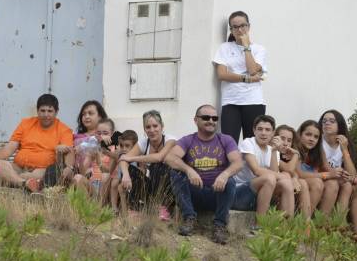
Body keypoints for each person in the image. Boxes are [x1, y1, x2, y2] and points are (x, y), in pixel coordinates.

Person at [166, 104, 242, 244]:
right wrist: (189, 170)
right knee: (176, 173)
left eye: (215, 118)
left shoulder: (225, 140)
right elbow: (170, 158)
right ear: (196, 120)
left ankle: (219, 225)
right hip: (195, 193)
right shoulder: (188, 140)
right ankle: (189, 218)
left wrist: (224, 175)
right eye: (206, 117)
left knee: (230, 181)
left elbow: (238, 163)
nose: (211, 121)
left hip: (217, 194)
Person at [0, 93, 74, 191]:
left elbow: (69, 152)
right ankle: (23, 183)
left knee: (28, 175)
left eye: (50, 111)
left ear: (56, 112)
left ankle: (14, 180)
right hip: (18, 167)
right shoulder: (26, 123)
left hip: (41, 170)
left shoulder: (64, 130)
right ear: (37, 111)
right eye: (42, 111)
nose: (46, 115)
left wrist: (69, 167)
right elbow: (10, 148)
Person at [213, 10, 267, 142]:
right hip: (231, 102)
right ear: (231, 30)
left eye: (243, 25)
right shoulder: (224, 48)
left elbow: (253, 70)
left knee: (253, 143)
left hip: (254, 101)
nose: (240, 29)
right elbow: (222, 74)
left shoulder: (259, 49)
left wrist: (246, 47)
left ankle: (252, 164)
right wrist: (246, 78)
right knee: (229, 142)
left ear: (249, 26)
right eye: (235, 27)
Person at [231, 115, 296, 224]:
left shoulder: (272, 149)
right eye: (260, 129)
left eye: (267, 130)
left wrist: (275, 151)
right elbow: (256, 170)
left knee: (285, 182)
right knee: (270, 178)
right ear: (254, 130)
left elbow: (276, 176)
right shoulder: (248, 143)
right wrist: (284, 176)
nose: (263, 133)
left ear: (273, 133)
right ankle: (259, 226)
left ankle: (287, 227)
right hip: (239, 194)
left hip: (261, 195)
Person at [118, 110, 178, 221]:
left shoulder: (170, 140)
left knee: (157, 166)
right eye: (148, 127)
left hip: (171, 187)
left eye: (155, 126)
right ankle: (136, 209)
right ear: (144, 129)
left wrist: (131, 158)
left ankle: (163, 208)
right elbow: (123, 160)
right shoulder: (144, 142)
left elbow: (159, 157)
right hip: (152, 187)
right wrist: (125, 174)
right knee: (131, 170)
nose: (152, 130)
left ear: (162, 126)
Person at [319, 110, 357, 230]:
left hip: (338, 180)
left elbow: (352, 174)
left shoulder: (343, 143)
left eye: (332, 121)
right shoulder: (319, 141)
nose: (327, 123)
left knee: (354, 187)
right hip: (321, 178)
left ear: (339, 124)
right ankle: (335, 226)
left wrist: (344, 149)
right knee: (348, 185)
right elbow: (324, 168)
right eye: (324, 121)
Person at [297, 119, 352, 216]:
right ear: (300, 134)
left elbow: (327, 168)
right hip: (297, 181)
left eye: (316, 137)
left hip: (312, 180)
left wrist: (341, 174)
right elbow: (299, 174)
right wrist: (327, 174)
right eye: (308, 134)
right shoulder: (295, 148)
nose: (311, 139)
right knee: (318, 183)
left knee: (335, 184)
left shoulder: (318, 150)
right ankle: (304, 223)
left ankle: (322, 223)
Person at [274, 124, 313, 218]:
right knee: (288, 177)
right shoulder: (272, 152)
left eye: (289, 140)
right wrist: (296, 154)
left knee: (302, 183)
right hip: (270, 189)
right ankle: (287, 224)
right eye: (282, 139)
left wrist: (295, 178)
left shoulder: (287, 156)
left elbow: (294, 173)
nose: (286, 143)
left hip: (283, 188)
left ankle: (305, 225)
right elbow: (288, 169)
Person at [69, 100, 109, 190]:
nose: (86, 116)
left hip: (98, 177)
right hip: (78, 173)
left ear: (100, 116)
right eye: (83, 114)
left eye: (90, 113)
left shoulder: (106, 136)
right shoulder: (74, 137)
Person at [111, 130, 140, 214]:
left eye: (127, 146)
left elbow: (142, 169)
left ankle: (125, 212)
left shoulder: (137, 155)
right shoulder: (120, 155)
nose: (124, 149)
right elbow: (110, 170)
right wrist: (115, 156)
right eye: (121, 145)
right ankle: (114, 208)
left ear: (135, 146)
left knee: (120, 186)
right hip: (121, 178)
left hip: (133, 180)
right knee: (114, 182)